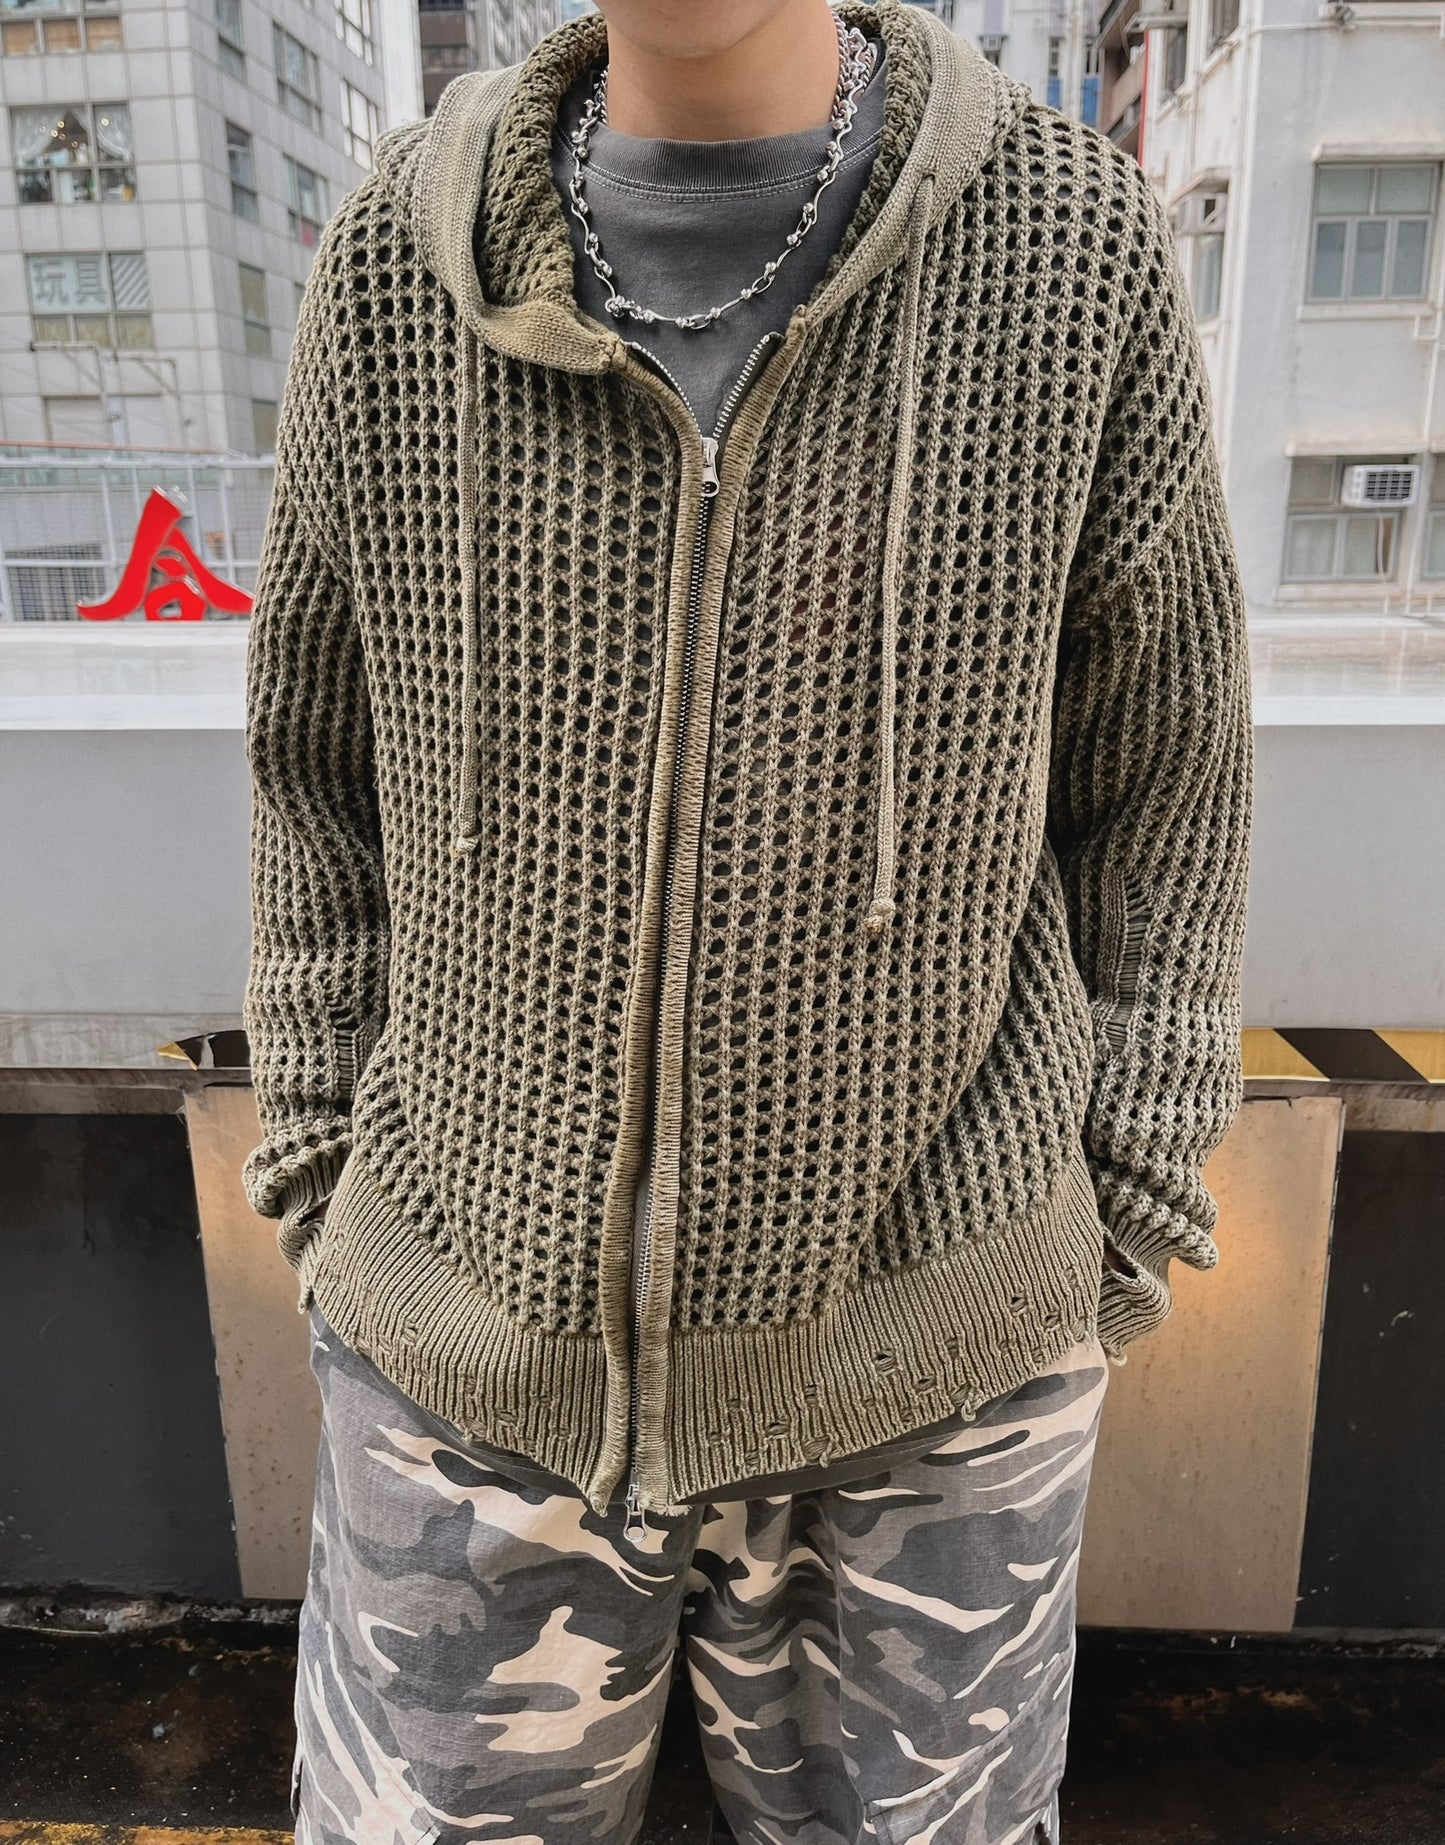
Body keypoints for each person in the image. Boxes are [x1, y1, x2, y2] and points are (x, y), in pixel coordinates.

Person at [240, 0, 1254, 1839]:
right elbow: (314, 758)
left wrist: (1117, 1212)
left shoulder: (1067, 244)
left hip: (939, 1369)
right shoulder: (397, 254)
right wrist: (323, 1165)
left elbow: (1165, 770)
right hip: (461, 1359)